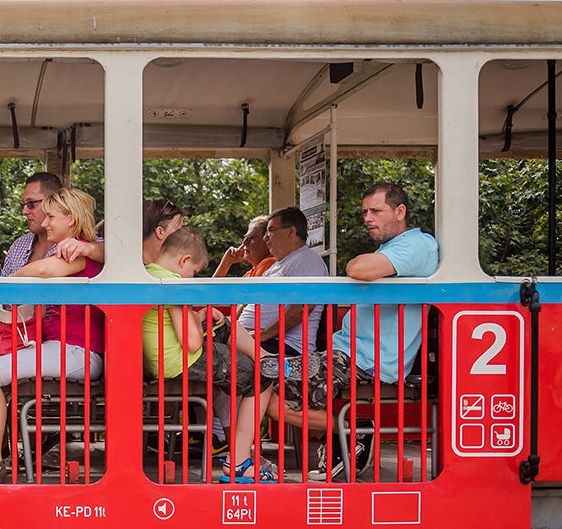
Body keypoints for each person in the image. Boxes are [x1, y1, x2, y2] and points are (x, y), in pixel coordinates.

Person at [260, 182, 439, 480]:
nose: (368, 218)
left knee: (268, 384)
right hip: (348, 353)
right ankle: (350, 433)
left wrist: (356, 262)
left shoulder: (416, 245)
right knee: (266, 383)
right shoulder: (395, 249)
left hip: (369, 360)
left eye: (376, 211)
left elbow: (357, 268)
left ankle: (352, 432)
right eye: (365, 212)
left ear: (400, 211)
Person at [0, 187, 105, 482]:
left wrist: (9, 281)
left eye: (51, 216)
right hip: (60, 347)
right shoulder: (77, 248)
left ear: (72, 220)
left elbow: (41, 270)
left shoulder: (77, 252)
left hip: (79, 352)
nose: (46, 223)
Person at [144, 228, 267, 481]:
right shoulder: (173, 284)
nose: (192, 277)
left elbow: (167, 322)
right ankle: (240, 460)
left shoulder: (149, 274)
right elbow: (191, 343)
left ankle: (264, 356)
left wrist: (201, 315)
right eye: (195, 272)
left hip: (159, 359)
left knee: (224, 324)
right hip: (179, 361)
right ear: (184, 260)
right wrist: (192, 312)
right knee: (261, 377)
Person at [233, 207, 328, 360]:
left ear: (291, 231)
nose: (265, 238)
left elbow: (302, 307)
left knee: (203, 350)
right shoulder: (278, 265)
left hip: (282, 346)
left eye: (270, 230)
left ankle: (270, 364)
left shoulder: (306, 260)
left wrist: (262, 335)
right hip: (254, 339)